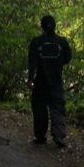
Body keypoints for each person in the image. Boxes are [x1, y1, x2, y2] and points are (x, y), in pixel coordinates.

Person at [27, 14, 72, 147]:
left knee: (39, 109)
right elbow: (67, 59)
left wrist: (30, 79)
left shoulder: (36, 42)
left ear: (42, 27)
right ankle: (58, 135)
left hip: (40, 83)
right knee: (58, 109)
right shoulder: (62, 42)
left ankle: (40, 136)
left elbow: (32, 62)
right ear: (55, 25)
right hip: (56, 83)